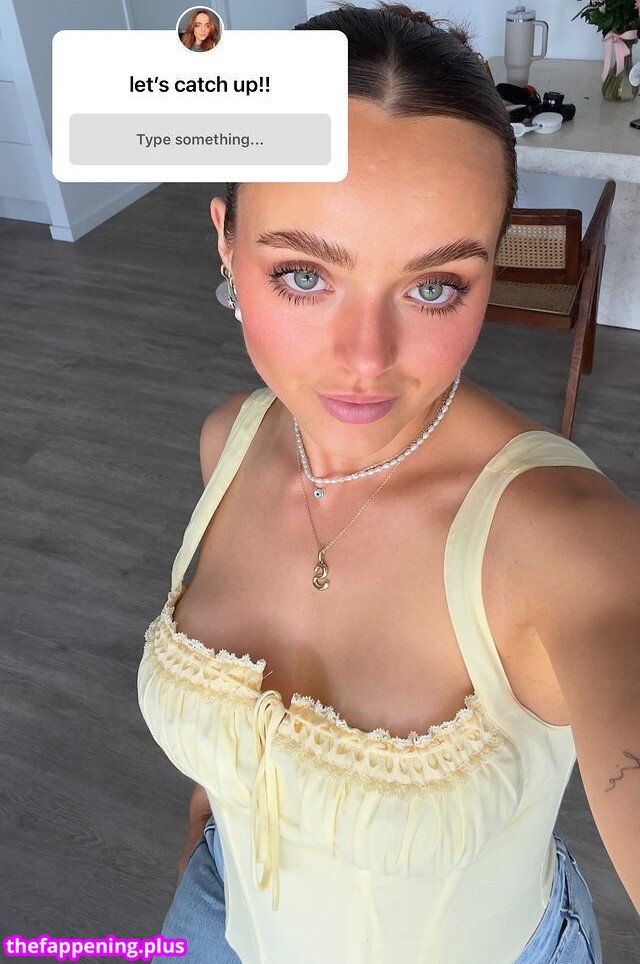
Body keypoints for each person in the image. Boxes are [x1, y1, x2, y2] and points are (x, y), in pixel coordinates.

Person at [138, 3, 640, 962]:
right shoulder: (229, 445)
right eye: (303, 274)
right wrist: (210, 821)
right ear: (226, 242)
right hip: (216, 915)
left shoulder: (563, 537)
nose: (366, 358)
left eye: (434, 286)